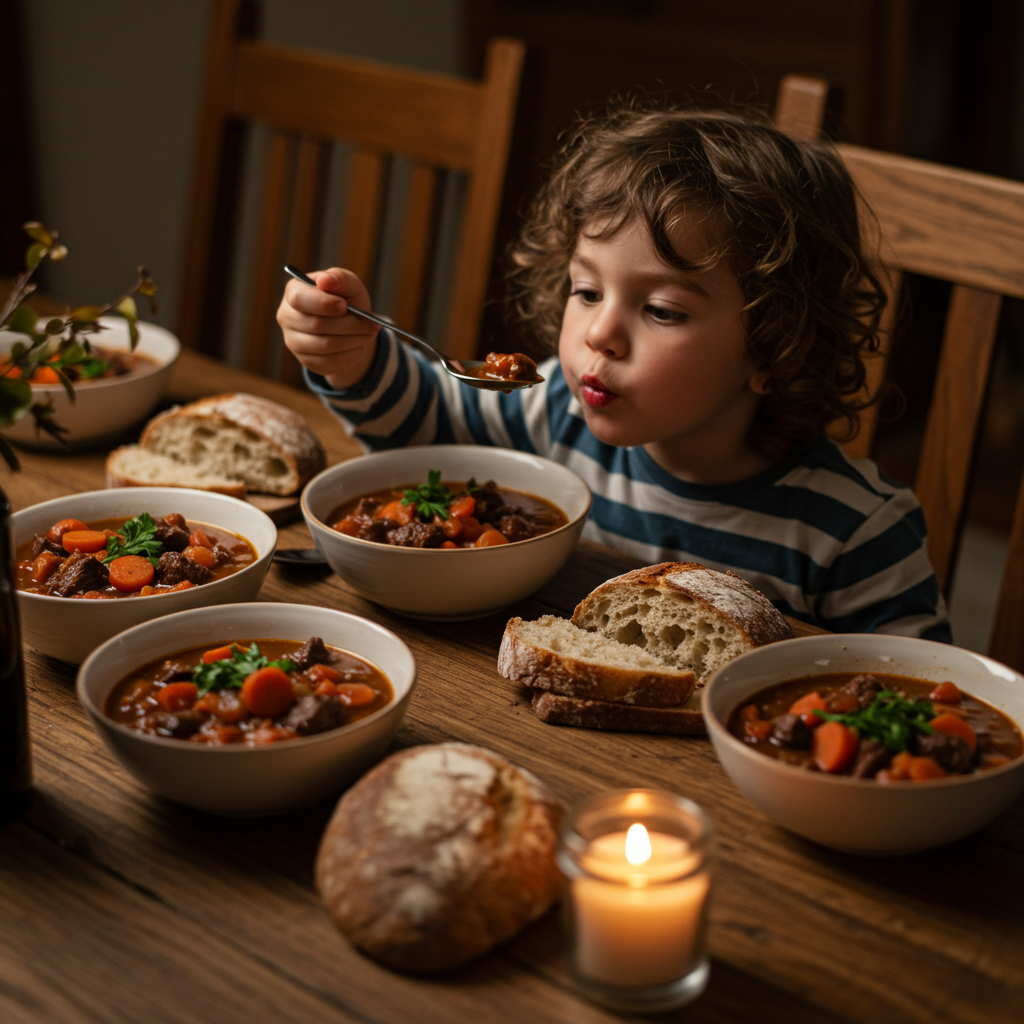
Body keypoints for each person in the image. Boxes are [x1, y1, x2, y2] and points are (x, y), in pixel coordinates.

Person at [277, 106, 951, 640]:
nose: (599, 332)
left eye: (659, 309)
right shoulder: (556, 414)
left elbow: (919, 702)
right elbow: (429, 426)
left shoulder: (857, 533)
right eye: (587, 291)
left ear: (776, 348)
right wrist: (356, 359)